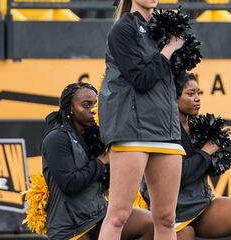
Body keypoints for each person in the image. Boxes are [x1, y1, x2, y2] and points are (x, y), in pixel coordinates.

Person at [98, 0, 186, 240]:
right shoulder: (122, 30)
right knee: (118, 215)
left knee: (166, 218)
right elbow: (141, 79)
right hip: (132, 129)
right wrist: (170, 50)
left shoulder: (163, 27)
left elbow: (171, 81)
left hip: (165, 129)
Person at [142, 73, 231, 239]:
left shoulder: (196, 126)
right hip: (172, 212)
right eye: (190, 94)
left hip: (201, 205)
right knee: (186, 233)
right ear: (173, 96)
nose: (197, 99)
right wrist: (205, 153)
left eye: (198, 93)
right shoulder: (161, 129)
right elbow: (175, 177)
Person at [41, 82, 153, 240]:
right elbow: (69, 184)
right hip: (70, 227)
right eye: (86, 105)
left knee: (151, 224)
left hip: (99, 216)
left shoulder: (97, 136)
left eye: (96, 105)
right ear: (70, 108)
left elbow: (106, 182)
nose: (93, 110)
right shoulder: (56, 138)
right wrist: (101, 162)